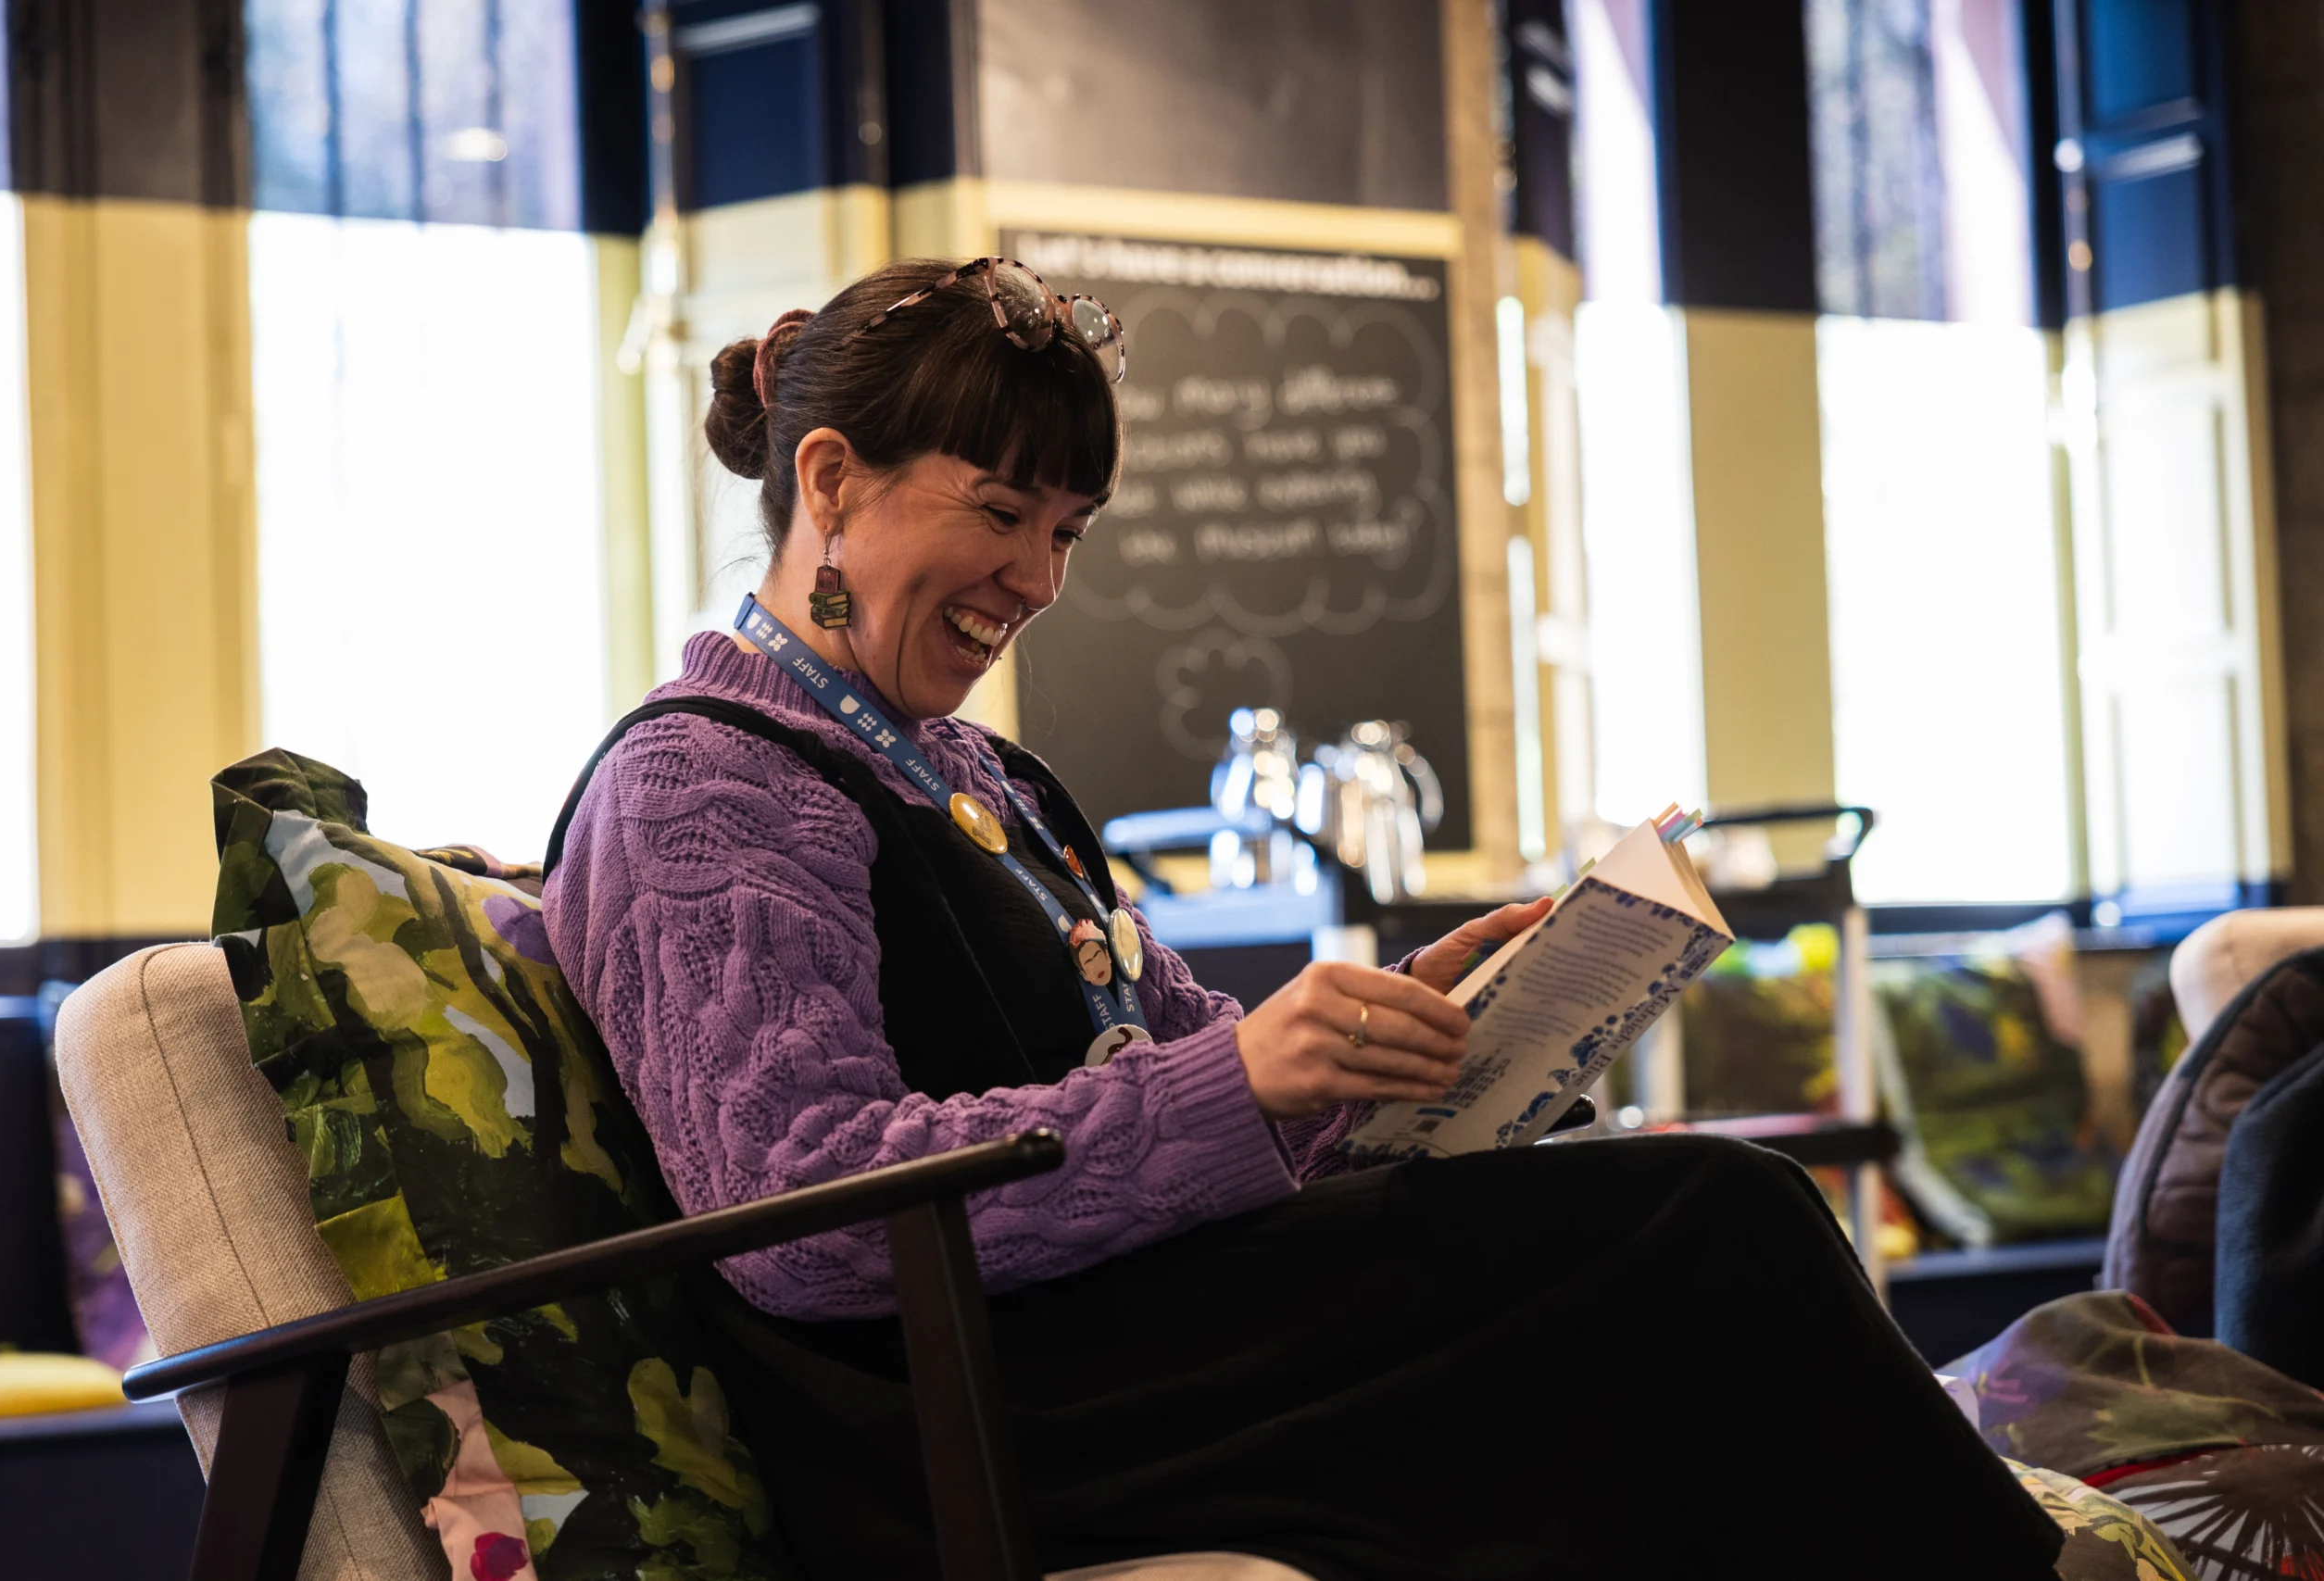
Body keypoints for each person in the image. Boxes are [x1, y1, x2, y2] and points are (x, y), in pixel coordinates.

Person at [541, 257, 2060, 1580]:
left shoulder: (975, 771)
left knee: (1692, 1203)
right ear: (827, 480)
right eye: (1002, 509)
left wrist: (1412, 1039)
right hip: (982, 1419)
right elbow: (796, 1213)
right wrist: (1243, 1080)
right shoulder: (700, 784)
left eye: (1068, 529)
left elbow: (1195, 1064)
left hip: (1140, 1339)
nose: (1038, 578)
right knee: (1712, 1226)